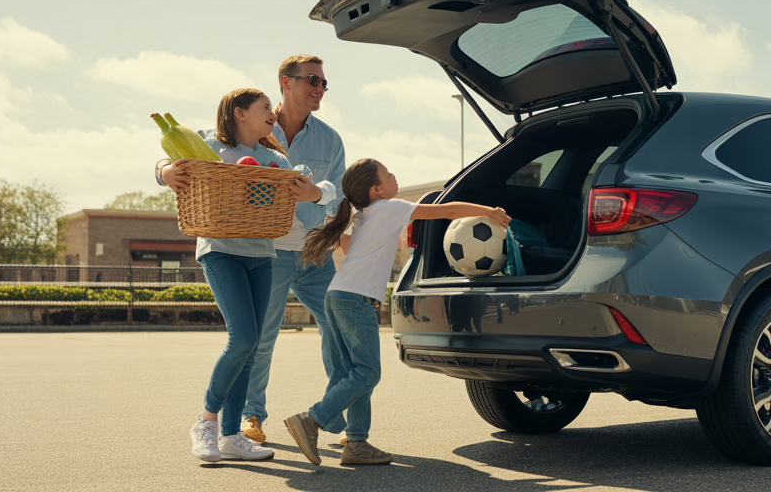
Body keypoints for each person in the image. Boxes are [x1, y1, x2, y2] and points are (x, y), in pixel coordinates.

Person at [282, 159, 511, 466]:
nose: (394, 176)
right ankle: (312, 420)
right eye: (388, 174)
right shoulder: (390, 208)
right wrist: (489, 212)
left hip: (337, 296)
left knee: (357, 373)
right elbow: (450, 211)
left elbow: (351, 248)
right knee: (368, 373)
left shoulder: (365, 215)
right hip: (355, 299)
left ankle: (357, 443)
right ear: (376, 190)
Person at [155, 88, 325, 462]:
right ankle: (205, 422)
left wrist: (307, 191)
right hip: (220, 251)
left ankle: (231, 436)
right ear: (239, 113)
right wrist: (164, 172)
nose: (272, 114)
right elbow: (165, 163)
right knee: (244, 336)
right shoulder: (208, 146)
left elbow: (283, 197)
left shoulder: (272, 157)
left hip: (262, 253)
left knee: (251, 347)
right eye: (265, 108)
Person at [237, 55, 347, 445]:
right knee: (262, 336)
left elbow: (338, 198)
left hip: (314, 252)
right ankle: (251, 415)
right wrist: (164, 170)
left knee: (337, 329)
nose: (319, 88)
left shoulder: (331, 140)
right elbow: (203, 151)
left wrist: (319, 193)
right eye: (312, 80)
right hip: (268, 250)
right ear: (286, 82)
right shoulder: (253, 127)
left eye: (323, 82)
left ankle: (330, 413)